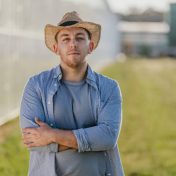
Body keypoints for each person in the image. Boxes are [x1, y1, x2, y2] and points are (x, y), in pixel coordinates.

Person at [20, 11, 124, 176]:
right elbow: (34, 141)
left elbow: (108, 138)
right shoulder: (36, 86)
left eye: (80, 38)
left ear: (90, 46)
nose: (73, 44)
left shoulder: (109, 87)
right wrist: (91, 138)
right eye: (65, 39)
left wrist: (52, 135)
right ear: (56, 48)